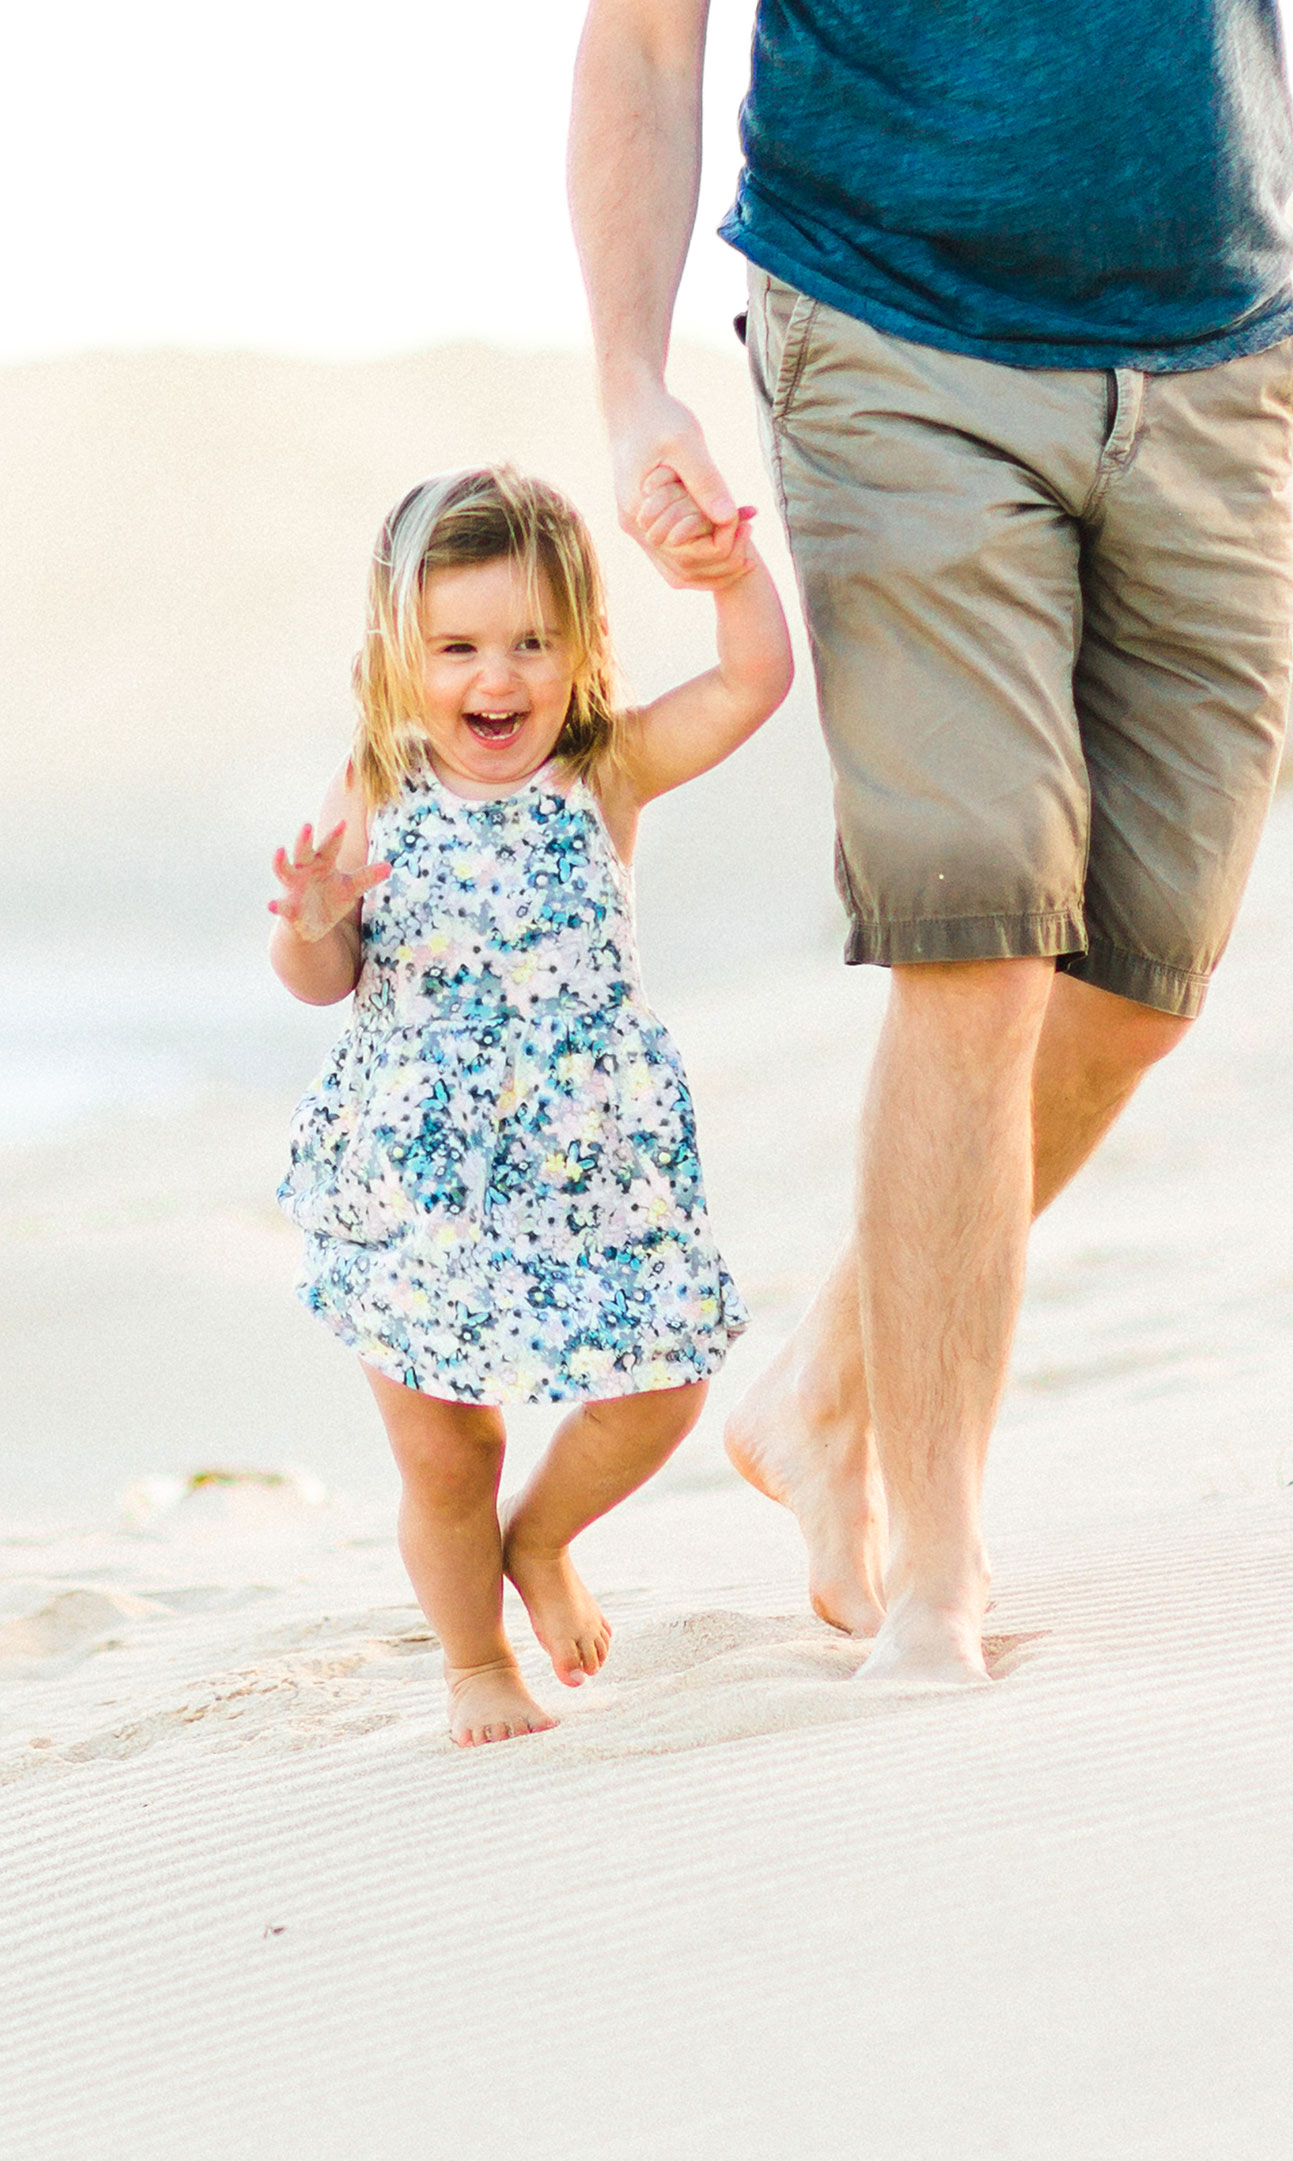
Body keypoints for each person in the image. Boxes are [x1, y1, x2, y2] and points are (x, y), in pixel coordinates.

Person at [568, 1, 1293, 1683]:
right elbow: (641, 46)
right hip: (898, 341)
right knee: (977, 931)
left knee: (1142, 968)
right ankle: (937, 1594)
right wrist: (632, 382)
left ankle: (830, 1385)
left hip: (1214, 354)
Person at [269, 466, 792, 1745]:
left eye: (528, 644)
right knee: (450, 1447)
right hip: (419, 1178)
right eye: (456, 647)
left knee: (663, 1382)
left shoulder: (602, 772)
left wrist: (730, 579)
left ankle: (544, 1538)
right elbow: (322, 982)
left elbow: (750, 685)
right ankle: (471, 1663)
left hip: (593, 1161)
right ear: (401, 654)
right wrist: (315, 924)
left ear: (581, 649)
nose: (492, 680)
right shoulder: (377, 785)